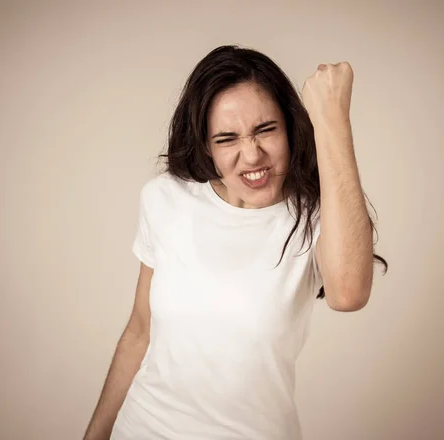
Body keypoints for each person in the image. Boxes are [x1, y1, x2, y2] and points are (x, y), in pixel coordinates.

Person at [83, 45, 388, 440]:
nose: (252, 154)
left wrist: (332, 119)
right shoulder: (165, 198)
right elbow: (140, 331)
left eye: (266, 130)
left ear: (291, 127)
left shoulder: (314, 217)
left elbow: (348, 294)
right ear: (205, 146)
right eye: (227, 138)